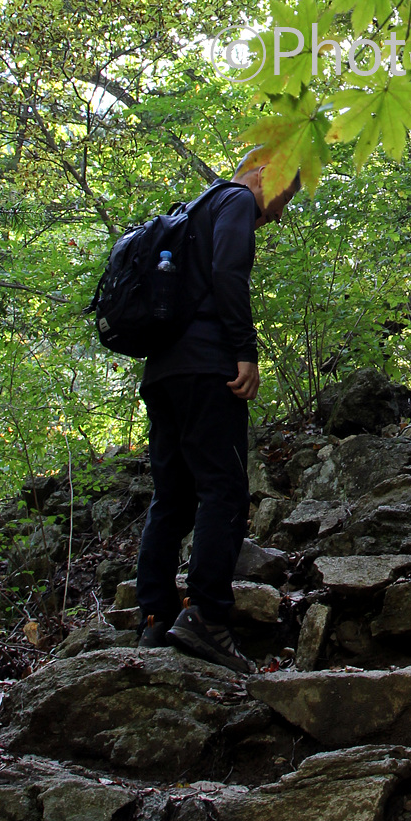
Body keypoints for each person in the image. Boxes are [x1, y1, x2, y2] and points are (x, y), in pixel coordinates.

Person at [134, 153, 299, 673]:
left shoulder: (190, 212)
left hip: (163, 373)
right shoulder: (235, 200)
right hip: (207, 372)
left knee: (172, 498)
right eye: (283, 198)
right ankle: (207, 616)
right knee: (223, 490)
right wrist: (245, 351)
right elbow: (229, 272)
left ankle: (156, 617)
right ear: (265, 172)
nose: (277, 214)